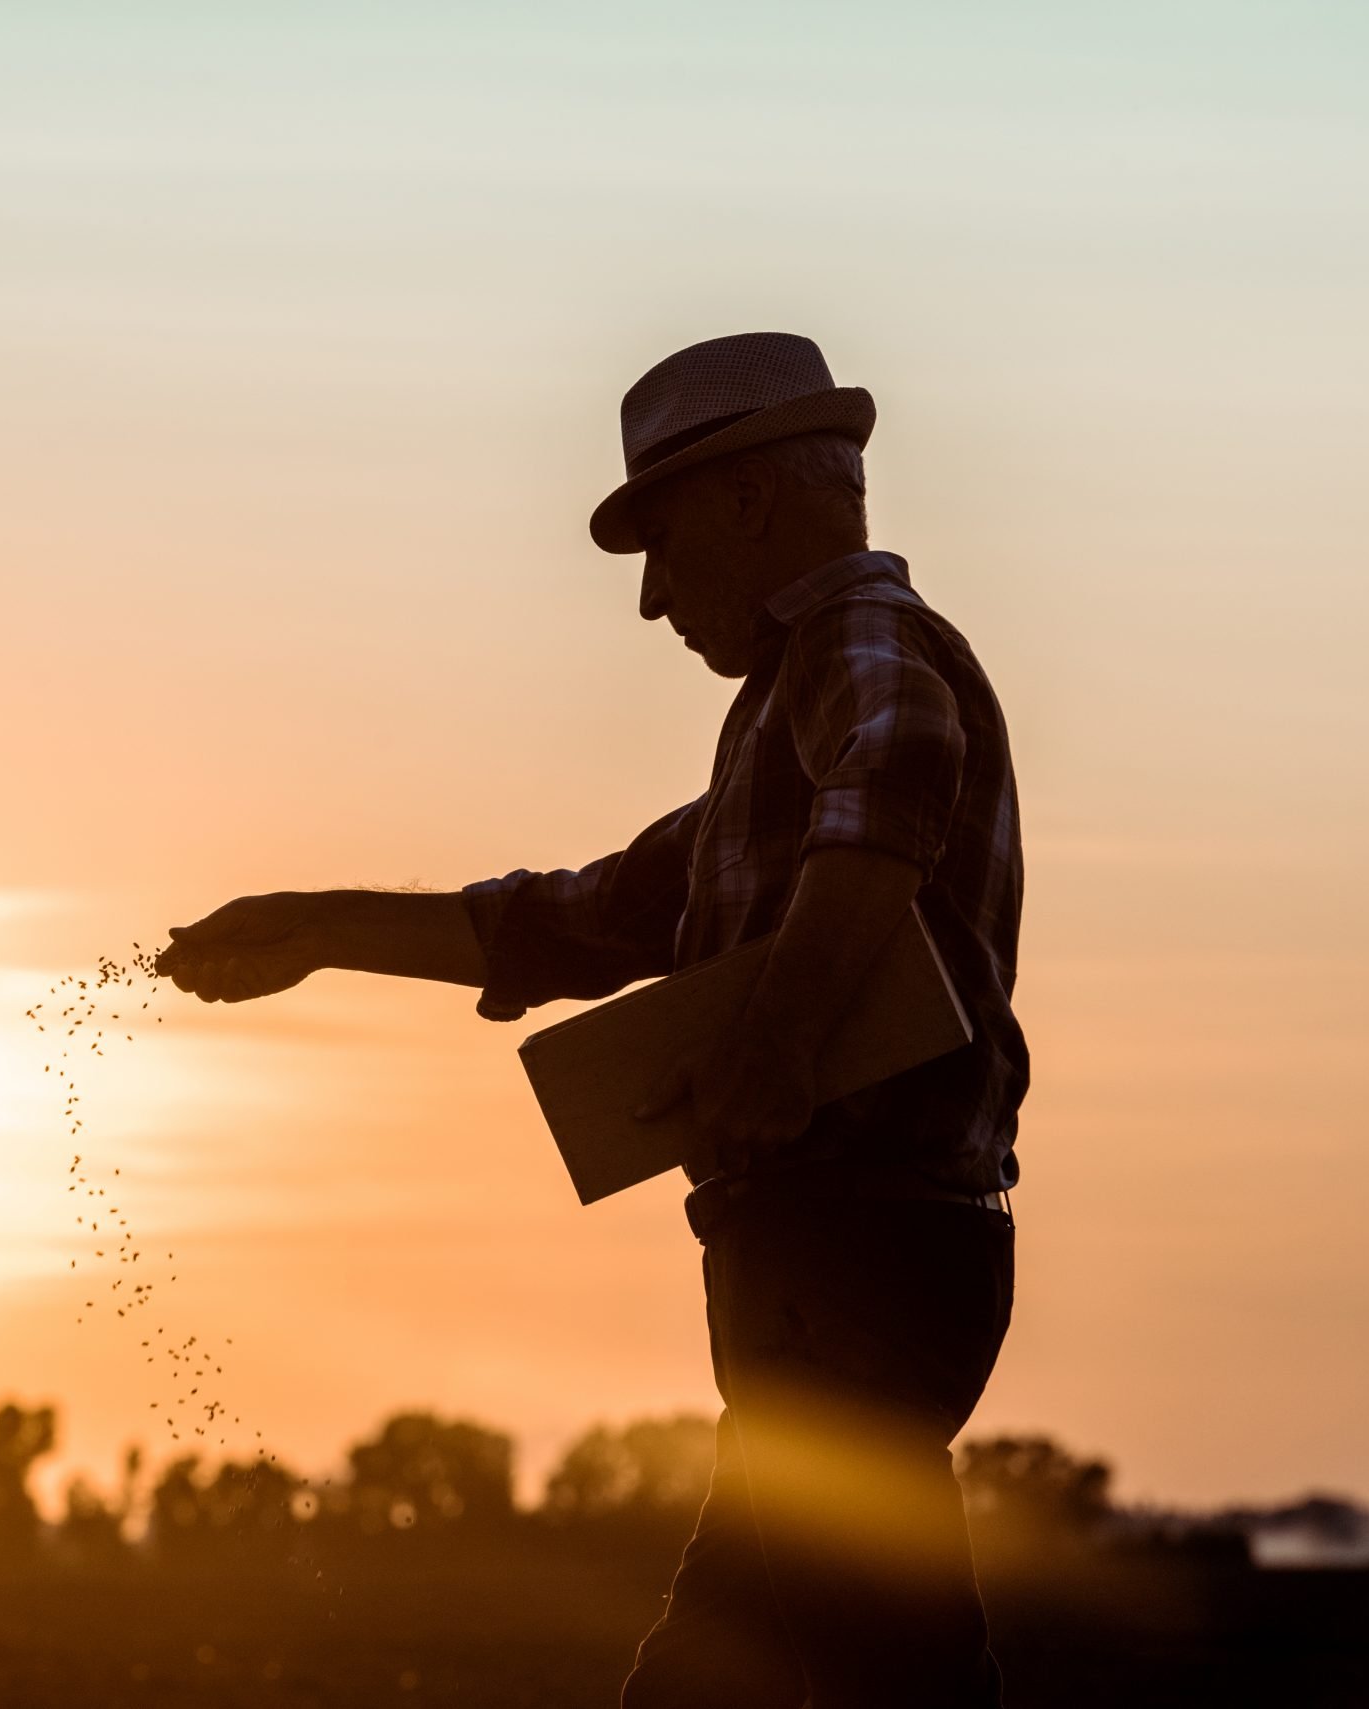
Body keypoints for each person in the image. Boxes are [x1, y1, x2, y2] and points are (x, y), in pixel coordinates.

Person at [154, 331, 1026, 1708]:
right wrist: (317, 928)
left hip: (859, 1245)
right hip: (819, 1256)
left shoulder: (859, 643)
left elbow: (897, 764)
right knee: (714, 1673)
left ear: (750, 499)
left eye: (661, 542)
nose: (651, 598)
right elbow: (577, 920)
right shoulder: (768, 747)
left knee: (890, 1671)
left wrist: (780, 1040)